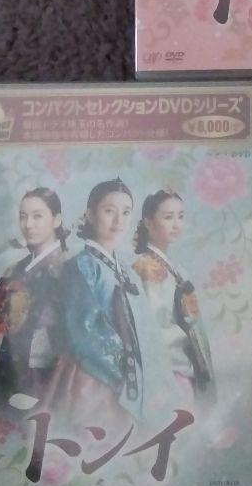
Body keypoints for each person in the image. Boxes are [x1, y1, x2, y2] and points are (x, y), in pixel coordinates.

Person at [43, 179, 143, 432]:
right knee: (91, 439)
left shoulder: (127, 270)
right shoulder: (82, 265)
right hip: (90, 373)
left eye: (126, 212)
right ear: (90, 214)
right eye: (109, 211)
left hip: (127, 374)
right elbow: (81, 329)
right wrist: (123, 368)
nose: (118, 220)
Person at [0, 187, 70, 418]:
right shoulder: (15, 269)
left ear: (57, 220)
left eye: (37, 216)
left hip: (36, 377)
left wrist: (41, 390)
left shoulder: (67, 269)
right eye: (23, 216)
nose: (28, 224)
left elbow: (66, 337)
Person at [131, 189, 216, 408]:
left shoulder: (174, 268)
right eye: (168, 217)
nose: (176, 224)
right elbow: (156, 324)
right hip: (168, 370)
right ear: (149, 223)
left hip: (183, 364)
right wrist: (188, 350)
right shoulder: (148, 267)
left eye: (180, 216)